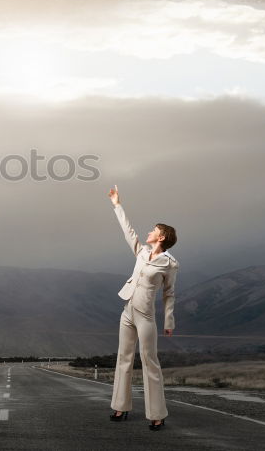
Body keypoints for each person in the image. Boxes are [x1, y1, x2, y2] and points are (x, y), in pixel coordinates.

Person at [106, 184, 178, 431]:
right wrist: (117, 204)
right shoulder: (141, 253)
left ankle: (157, 414)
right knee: (123, 358)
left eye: (154, 231)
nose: (149, 232)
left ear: (162, 237)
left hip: (146, 317)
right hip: (128, 311)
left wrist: (169, 321)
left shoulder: (169, 264)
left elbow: (169, 294)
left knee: (150, 361)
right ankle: (120, 407)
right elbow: (129, 232)